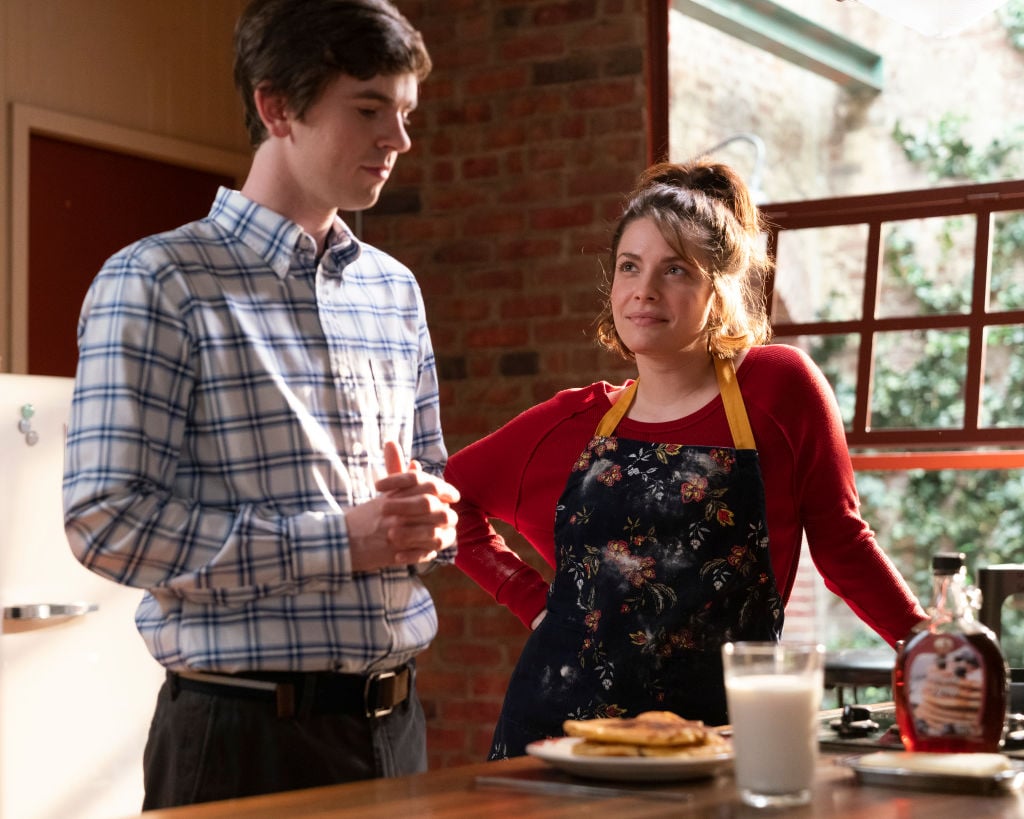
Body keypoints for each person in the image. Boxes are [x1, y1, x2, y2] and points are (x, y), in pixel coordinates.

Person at [62, 0, 459, 808]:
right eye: (369, 108)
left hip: (398, 729)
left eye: (406, 112)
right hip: (239, 742)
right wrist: (340, 541)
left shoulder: (395, 291)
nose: (399, 139)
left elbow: (428, 485)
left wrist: (433, 519)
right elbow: (105, 521)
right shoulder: (156, 281)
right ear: (276, 106)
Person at [444, 158, 928, 759]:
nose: (644, 290)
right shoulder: (571, 423)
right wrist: (527, 600)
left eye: (674, 270)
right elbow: (448, 498)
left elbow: (843, 545)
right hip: (557, 739)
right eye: (629, 267)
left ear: (718, 290)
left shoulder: (779, 388)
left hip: (721, 739)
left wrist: (931, 651)